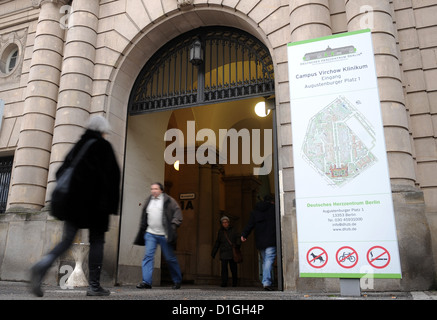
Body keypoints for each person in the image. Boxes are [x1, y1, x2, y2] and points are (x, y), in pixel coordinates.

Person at [29, 115, 121, 297]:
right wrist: (110, 204)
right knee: (97, 241)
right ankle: (94, 286)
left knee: (67, 239)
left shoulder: (78, 145)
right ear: (103, 130)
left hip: (73, 203)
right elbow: (113, 177)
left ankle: (43, 265)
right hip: (96, 205)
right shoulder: (104, 147)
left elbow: (60, 171)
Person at [134, 182, 183, 289]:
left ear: (161, 190)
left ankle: (177, 280)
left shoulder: (169, 200)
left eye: (156, 189)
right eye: (152, 189)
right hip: (150, 233)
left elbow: (177, 213)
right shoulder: (148, 200)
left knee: (170, 258)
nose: (153, 191)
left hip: (164, 234)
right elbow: (144, 215)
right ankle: (146, 282)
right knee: (148, 256)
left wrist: (174, 225)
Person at [241, 194, 276, 290]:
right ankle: (267, 282)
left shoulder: (255, 211)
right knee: (269, 259)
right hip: (271, 239)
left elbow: (250, 224)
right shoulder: (274, 209)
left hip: (260, 240)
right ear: (272, 201)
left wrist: (244, 234)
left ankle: (267, 281)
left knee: (265, 261)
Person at [211, 215, 241, 287]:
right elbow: (218, 242)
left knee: (233, 268)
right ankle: (224, 282)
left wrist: (237, 245)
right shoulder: (220, 232)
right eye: (223, 222)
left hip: (232, 252)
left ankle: (235, 282)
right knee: (224, 269)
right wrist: (213, 252)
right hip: (224, 252)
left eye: (226, 222)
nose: (225, 224)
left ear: (228, 222)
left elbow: (238, 238)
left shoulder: (234, 230)